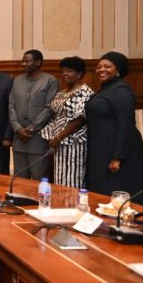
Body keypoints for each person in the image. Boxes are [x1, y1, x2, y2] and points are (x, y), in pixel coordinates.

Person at [85, 52, 143, 205]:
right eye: (99, 66)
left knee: (116, 189)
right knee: (101, 188)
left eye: (107, 66)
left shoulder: (121, 92)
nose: (101, 69)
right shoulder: (106, 89)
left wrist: (117, 157)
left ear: (118, 70)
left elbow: (125, 125)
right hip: (102, 148)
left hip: (118, 150)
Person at [40, 57, 94, 188]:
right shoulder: (61, 93)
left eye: (69, 71)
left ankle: (72, 201)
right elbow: (56, 115)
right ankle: (61, 200)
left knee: (72, 178)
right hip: (58, 143)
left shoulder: (84, 92)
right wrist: (52, 137)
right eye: (63, 71)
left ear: (79, 73)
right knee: (60, 177)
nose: (64, 74)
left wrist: (58, 138)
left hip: (74, 142)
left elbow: (79, 120)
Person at [8, 49, 58, 179]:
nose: (23, 64)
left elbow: (49, 108)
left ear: (38, 62)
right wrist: (18, 128)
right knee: (19, 180)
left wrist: (31, 128)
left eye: (27, 61)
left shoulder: (50, 81)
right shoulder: (17, 80)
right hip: (19, 139)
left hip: (38, 139)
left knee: (38, 179)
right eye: (23, 61)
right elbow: (11, 105)